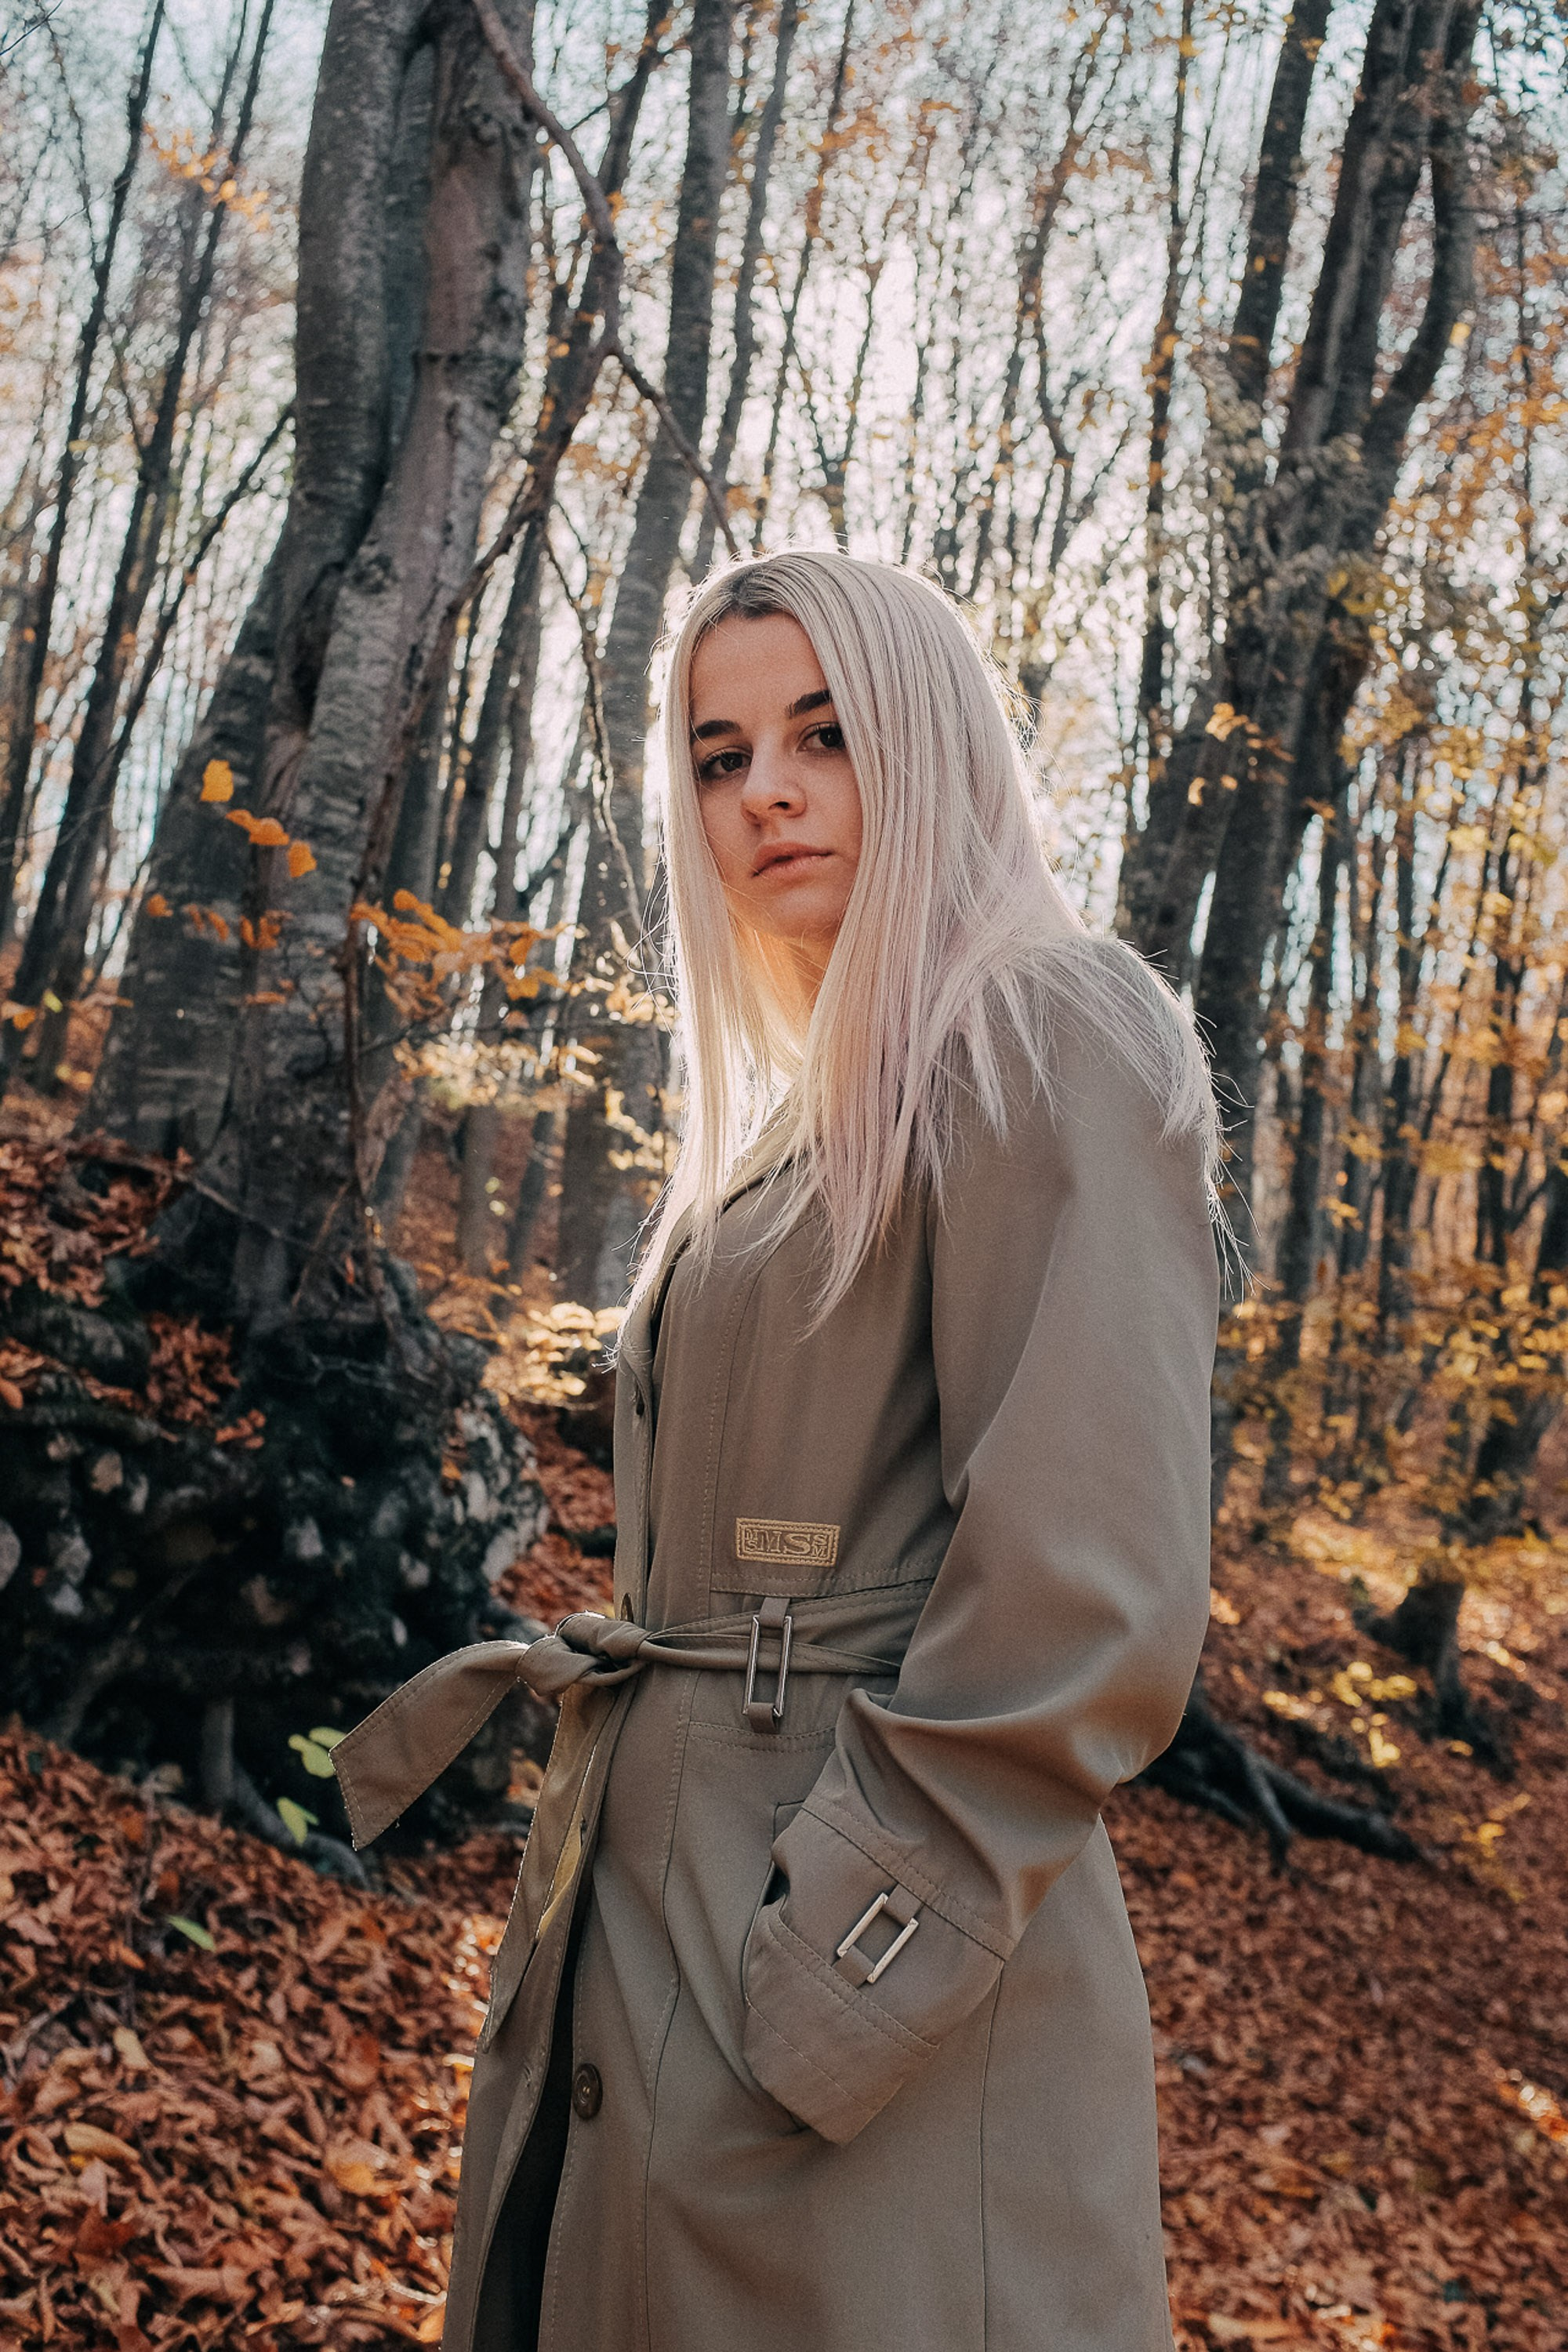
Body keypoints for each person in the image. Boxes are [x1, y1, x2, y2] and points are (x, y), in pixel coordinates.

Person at [333, 550, 1223, 2352]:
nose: (768, 794)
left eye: (823, 733)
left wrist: (821, 1984)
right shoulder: (810, 1106)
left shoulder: (1046, 1027)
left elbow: (1086, 1599)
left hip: (860, 2032)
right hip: (654, 1943)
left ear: (934, 743)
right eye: (719, 754)